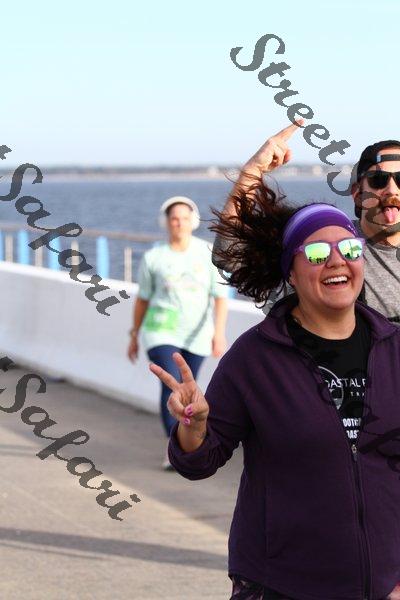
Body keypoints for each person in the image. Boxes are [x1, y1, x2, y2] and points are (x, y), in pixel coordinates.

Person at [149, 191, 400, 598]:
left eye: (350, 248)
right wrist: (194, 427)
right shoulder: (255, 357)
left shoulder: (394, 349)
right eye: (317, 253)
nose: (337, 261)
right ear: (291, 273)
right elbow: (199, 462)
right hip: (279, 584)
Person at [212, 122, 400, 320]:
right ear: (358, 194)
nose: (392, 190)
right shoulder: (324, 243)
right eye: (378, 180)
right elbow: (228, 253)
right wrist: (252, 171)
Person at [127, 196, 228, 470]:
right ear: (166, 222)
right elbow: (143, 299)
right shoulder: (154, 257)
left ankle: (186, 440)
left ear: (193, 222)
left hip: (197, 334)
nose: (179, 223)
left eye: (184, 218)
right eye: (174, 218)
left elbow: (220, 297)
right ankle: (172, 446)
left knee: (189, 388)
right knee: (172, 385)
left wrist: (219, 334)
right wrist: (134, 335)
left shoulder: (207, 253)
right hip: (160, 331)